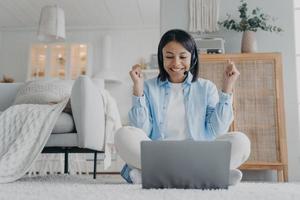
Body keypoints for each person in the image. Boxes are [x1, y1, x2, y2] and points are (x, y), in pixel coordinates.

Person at [114, 29, 251, 185]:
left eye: (183, 56)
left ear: (192, 57)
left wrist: (228, 87)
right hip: (161, 156)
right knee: (123, 134)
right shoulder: (148, 87)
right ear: (161, 57)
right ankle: (208, 176)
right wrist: (138, 88)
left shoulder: (206, 88)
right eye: (169, 57)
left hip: (198, 156)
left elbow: (218, 130)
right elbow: (142, 130)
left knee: (241, 141)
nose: (176, 63)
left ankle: (152, 176)